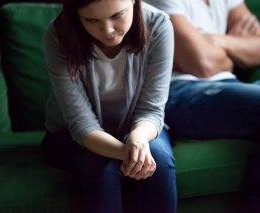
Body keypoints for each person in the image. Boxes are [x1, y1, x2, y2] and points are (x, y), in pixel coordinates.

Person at [145, 0, 260, 212]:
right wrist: (235, 49)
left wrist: (217, 41)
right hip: (183, 93)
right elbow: (203, 64)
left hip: (232, 86)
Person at [41, 0, 177, 212]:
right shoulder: (59, 35)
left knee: (157, 160)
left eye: (117, 15)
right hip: (68, 137)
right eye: (92, 20)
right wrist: (130, 154)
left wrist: (138, 139)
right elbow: (81, 124)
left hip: (138, 127)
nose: (108, 31)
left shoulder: (158, 25)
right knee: (102, 166)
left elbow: (152, 109)